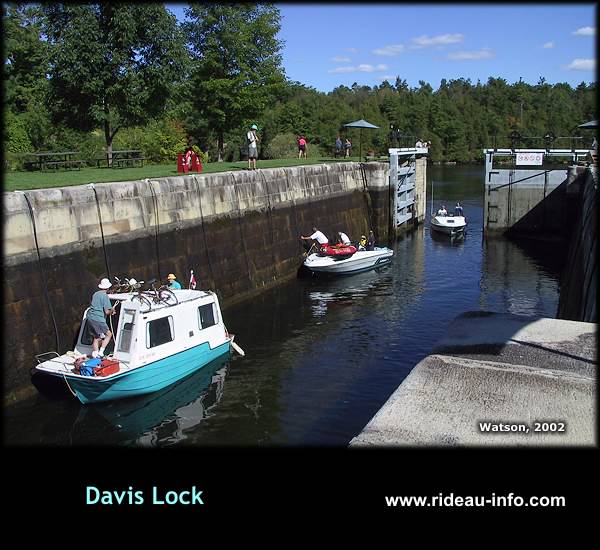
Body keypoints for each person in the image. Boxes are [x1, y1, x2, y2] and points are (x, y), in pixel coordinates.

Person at [86, 278, 117, 359]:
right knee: (109, 334)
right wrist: (112, 311)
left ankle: (95, 353)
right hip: (98, 318)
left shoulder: (95, 294)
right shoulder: (105, 296)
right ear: (108, 287)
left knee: (97, 336)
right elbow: (107, 312)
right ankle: (101, 353)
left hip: (90, 317)